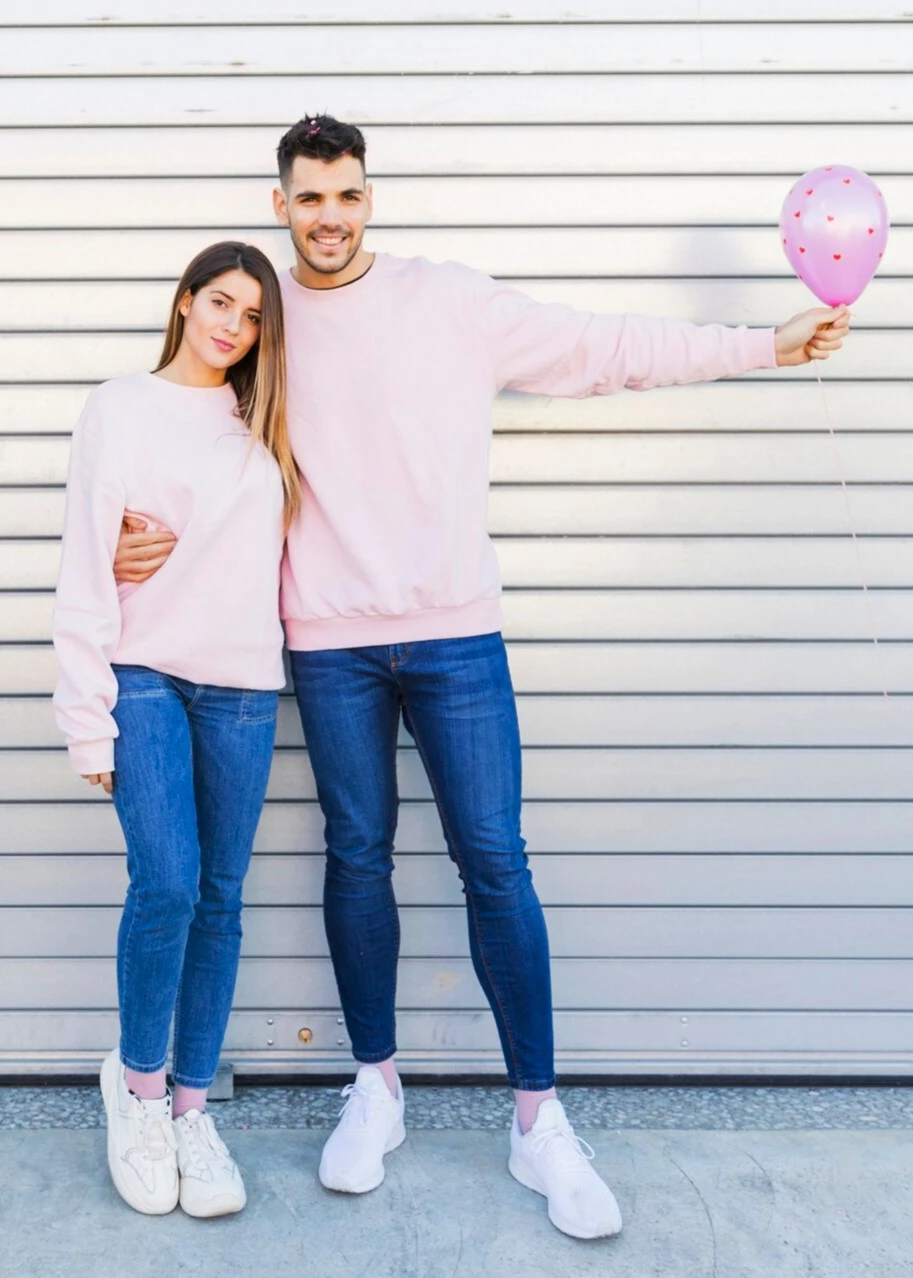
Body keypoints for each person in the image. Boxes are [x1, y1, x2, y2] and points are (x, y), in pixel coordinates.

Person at [114, 117, 850, 1241]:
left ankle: (537, 1122)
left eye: (347, 196)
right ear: (281, 205)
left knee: (494, 861)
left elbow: (603, 348)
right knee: (356, 854)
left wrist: (763, 343)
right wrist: (132, 538)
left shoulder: (448, 300)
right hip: (324, 641)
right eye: (309, 198)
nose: (329, 218)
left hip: (457, 635)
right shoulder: (261, 320)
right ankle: (376, 1086)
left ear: (370, 199)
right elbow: (194, 431)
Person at [53, 241, 299, 1218]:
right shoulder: (120, 407)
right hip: (145, 675)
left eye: (251, 316)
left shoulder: (268, 424)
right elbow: (85, 560)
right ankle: (141, 1092)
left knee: (223, 898)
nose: (232, 326)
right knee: (168, 883)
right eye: (219, 303)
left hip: (242, 685)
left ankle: (194, 1109)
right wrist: (87, 723)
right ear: (185, 302)